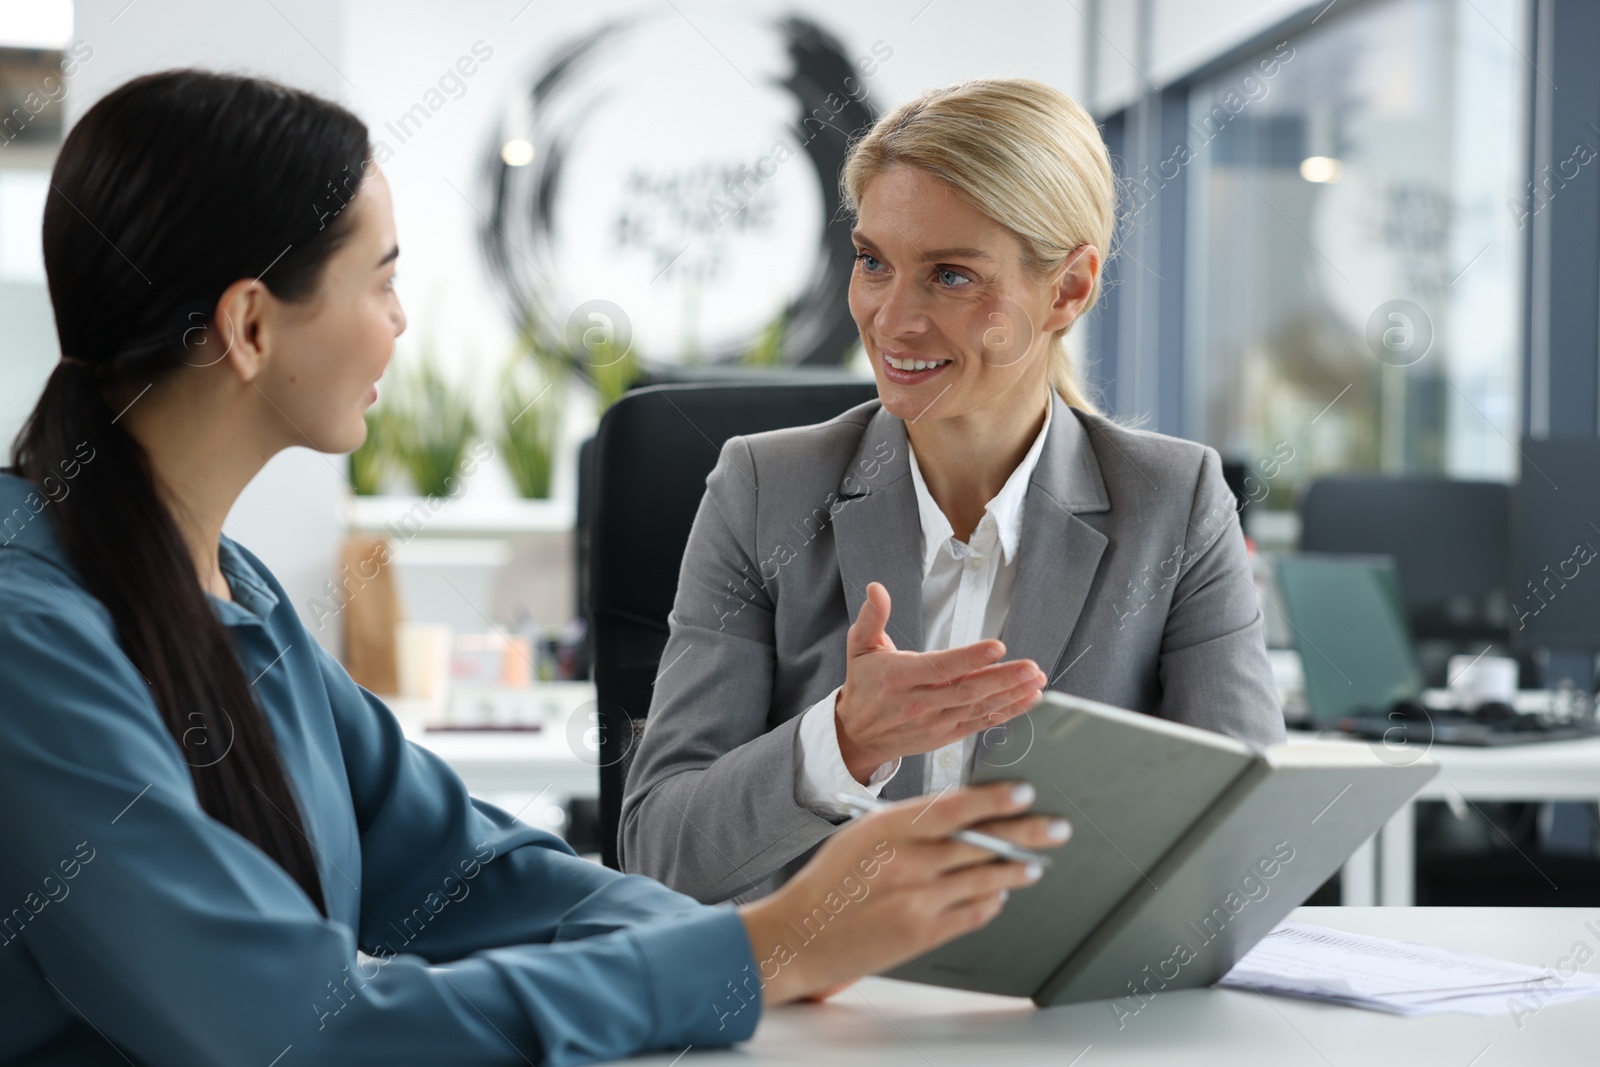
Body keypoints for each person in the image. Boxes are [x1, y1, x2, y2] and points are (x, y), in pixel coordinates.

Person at [0, 70, 1071, 1067]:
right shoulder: (26, 634)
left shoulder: (232, 590)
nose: (400, 322)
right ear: (247, 324)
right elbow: (298, 1027)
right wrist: (761, 950)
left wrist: (746, 946)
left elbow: (470, 870)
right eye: (380, 283)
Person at [620, 77, 1286, 905]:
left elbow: (1250, 851)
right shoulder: (763, 490)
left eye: (951, 276)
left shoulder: (1174, 504)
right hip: (827, 1012)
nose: (893, 320)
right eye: (873, 263)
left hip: (1061, 1018)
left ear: (1069, 289)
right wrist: (843, 742)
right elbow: (659, 851)